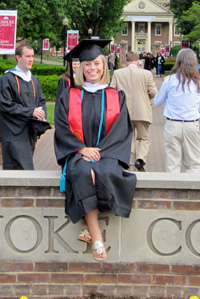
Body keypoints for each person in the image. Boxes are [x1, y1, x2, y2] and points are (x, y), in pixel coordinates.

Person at [54, 40, 137, 262]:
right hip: (78, 153)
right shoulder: (68, 96)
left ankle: (86, 224)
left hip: (107, 153)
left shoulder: (116, 96)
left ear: (104, 66)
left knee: (100, 171)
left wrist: (99, 152)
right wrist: (81, 148)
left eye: (97, 63)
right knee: (83, 171)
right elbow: (61, 128)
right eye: (88, 64)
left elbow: (121, 130)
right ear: (81, 67)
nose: (92, 68)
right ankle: (97, 237)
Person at [0, 44, 48, 170]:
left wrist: (42, 116)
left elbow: (41, 101)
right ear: (18, 57)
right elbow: (5, 105)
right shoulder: (7, 79)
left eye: (32, 56)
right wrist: (31, 111)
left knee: (23, 169)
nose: (31, 59)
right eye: (27, 56)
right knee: (21, 169)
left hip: (29, 132)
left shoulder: (34, 80)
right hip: (13, 133)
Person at [154, 48, 200, 173]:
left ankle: (172, 191)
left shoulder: (170, 80)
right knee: (194, 164)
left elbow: (157, 102)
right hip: (192, 124)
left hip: (173, 124)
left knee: (172, 164)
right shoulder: (198, 82)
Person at [110, 52, 158, 171]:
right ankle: (140, 159)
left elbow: (111, 92)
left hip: (124, 112)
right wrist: (147, 101)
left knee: (128, 139)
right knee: (143, 138)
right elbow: (154, 93)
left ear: (127, 63)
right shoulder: (146, 74)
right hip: (142, 111)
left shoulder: (117, 73)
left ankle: (129, 163)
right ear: (138, 62)